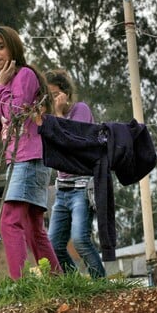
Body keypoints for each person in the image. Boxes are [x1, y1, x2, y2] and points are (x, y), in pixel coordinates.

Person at [0, 26, 61, 279]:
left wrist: (0, 89)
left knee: (9, 221)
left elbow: (16, 113)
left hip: (30, 156)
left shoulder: (25, 75)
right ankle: (56, 279)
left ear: (14, 47)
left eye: (0, 47)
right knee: (32, 226)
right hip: (19, 159)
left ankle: (19, 283)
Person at [45, 69, 106, 279]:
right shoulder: (50, 119)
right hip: (62, 189)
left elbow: (71, 145)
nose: (52, 101)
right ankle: (76, 283)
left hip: (81, 186)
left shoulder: (80, 110)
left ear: (65, 93)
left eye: (54, 95)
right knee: (54, 245)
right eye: (48, 96)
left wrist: (60, 114)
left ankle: (101, 284)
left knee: (80, 239)